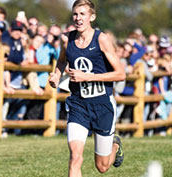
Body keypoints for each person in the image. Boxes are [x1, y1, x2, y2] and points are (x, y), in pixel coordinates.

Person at [49, 0, 125, 176]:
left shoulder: (102, 39)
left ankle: (115, 145)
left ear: (92, 16)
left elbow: (121, 74)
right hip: (78, 105)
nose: (78, 18)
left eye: (82, 14)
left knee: (102, 166)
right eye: (75, 14)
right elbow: (62, 61)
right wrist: (56, 75)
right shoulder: (67, 39)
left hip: (102, 106)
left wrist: (89, 77)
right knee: (75, 157)